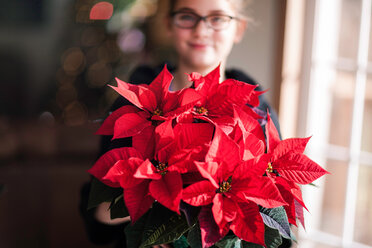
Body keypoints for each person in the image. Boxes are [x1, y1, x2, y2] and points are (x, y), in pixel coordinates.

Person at [80, 0, 288, 247]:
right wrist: (156, 220)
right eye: (187, 16)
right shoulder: (134, 105)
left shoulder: (259, 112)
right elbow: (99, 217)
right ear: (169, 24)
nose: (201, 30)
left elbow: (279, 229)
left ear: (239, 29)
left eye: (218, 18)